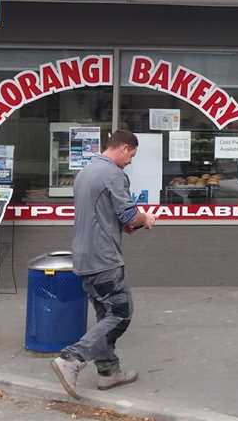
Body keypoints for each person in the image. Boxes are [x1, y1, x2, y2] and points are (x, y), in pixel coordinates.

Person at [51, 129, 156, 399]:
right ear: (123, 148)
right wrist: (146, 218)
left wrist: (131, 223)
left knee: (104, 315)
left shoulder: (85, 172)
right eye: (132, 154)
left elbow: (106, 216)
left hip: (84, 257)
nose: (131, 160)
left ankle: (108, 373)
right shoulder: (113, 174)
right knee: (121, 314)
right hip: (104, 258)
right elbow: (128, 215)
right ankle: (72, 359)